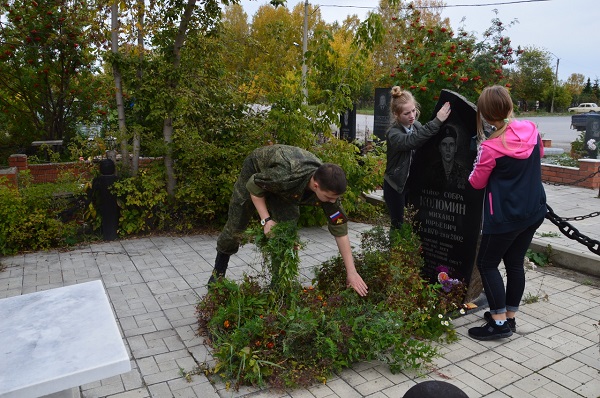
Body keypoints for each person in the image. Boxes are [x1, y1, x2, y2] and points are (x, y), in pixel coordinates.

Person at [209, 144, 369, 297]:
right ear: (315, 185)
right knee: (237, 223)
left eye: (335, 198)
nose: (332, 201)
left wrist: (352, 272)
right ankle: (218, 274)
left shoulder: (330, 189)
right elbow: (254, 186)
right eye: (329, 197)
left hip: (287, 190)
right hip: (257, 172)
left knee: (286, 233)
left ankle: (278, 287)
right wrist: (266, 220)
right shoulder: (286, 175)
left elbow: (340, 231)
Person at [467, 85, 547, 340]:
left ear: (486, 116)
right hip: (533, 210)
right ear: (510, 107)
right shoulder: (532, 131)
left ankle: (499, 324)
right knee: (514, 263)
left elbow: (476, 182)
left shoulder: (490, 147)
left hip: (504, 217)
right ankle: (509, 317)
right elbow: (539, 156)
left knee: (487, 263)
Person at [384, 86, 451, 229]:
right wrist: (437, 121)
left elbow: (426, 140)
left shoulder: (416, 126)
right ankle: (394, 251)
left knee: (414, 223)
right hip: (396, 186)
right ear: (396, 115)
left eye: (413, 110)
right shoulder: (393, 133)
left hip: (412, 184)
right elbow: (411, 141)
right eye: (406, 113)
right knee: (398, 225)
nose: (412, 116)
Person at [426, 124, 470, 190]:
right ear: (439, 148)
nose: (448, 149)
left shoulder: (465, 173)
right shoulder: (431, 172)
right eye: (444, 144)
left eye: (451, 145)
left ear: (455, 148)